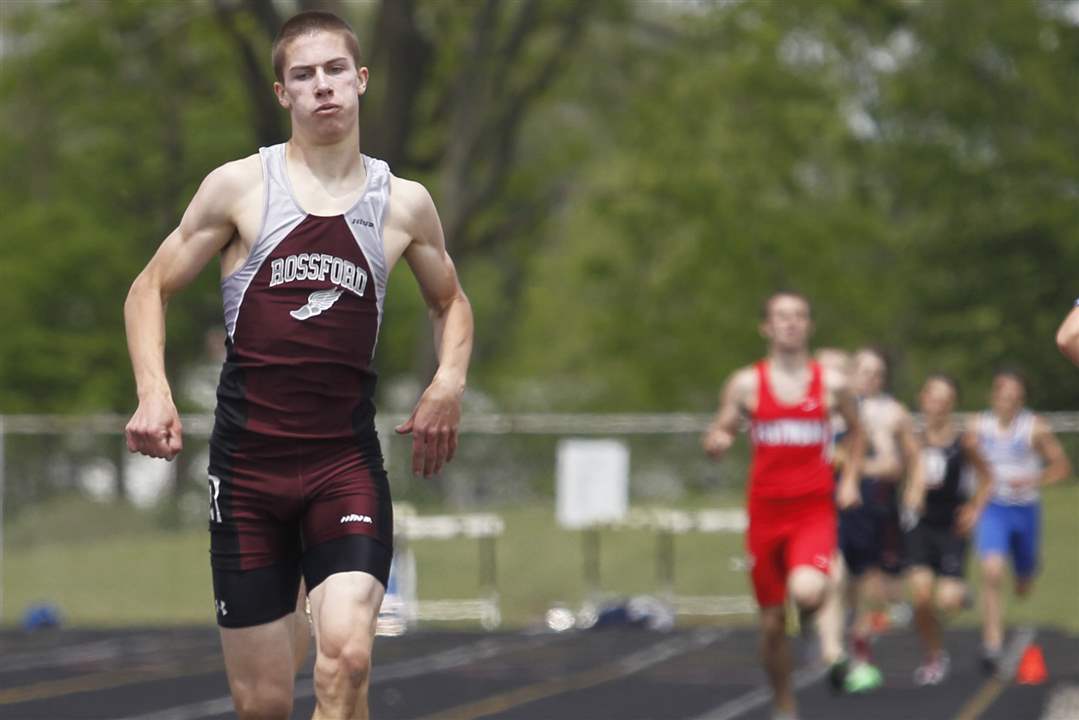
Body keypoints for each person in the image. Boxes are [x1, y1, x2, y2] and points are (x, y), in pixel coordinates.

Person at [123, 11, 474, 720]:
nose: (323, 88)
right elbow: (149, 288)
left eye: (334, 71)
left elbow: (450, 302)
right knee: (264, 704)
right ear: (284, 93)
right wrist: (153, 392)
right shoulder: (239, 188)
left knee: (345, 656)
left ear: (361, 80)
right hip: (248, 474)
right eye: (304, 76)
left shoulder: (401, 204)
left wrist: (447, 382)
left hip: (341, 464)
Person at [703, 292, 864, 720]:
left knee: (808, 589)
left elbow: (858, 432)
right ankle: (784, 705)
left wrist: (848, 479)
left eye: (798, 316)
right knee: (772, 626)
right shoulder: (745, 384)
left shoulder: (831, 384)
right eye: (781, 317)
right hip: (765, 516)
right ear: (766, 328)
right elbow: (722, 426)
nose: (790, 324)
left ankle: (831, 627)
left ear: (809, 325)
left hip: (812, 511)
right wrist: (718, 441)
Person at [974, 370, 1070, 675]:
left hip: (1025, 510)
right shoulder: (979, 426)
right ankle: (992, 644)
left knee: (1023, 583)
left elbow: (1061, 466)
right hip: (994, 509)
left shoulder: (1034, 428)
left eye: (1015, 397)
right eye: (1004, 396)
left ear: (1022, 399)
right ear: (994, 397)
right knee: (991, 572)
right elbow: (967, 461)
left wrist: (1033, 479)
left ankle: (1028, 567)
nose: (1008, 402)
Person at [837, 348, 919, 686]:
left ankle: (861, 645)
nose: (870, 378)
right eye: (864, 371)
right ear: (852, 373)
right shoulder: (836, 407)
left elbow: (899, 461)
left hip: (875, 505)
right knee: (838, 577)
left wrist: (915, 490)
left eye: (877, 373)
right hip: (837, 502)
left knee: (875, 583)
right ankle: (841, 644)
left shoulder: (892, 412)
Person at [904, 374, 991, 685]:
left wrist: (974, 509)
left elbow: (987, 479)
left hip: (951, 527)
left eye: (945, 400)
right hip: (921, 526)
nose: (938, 405)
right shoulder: (913, 438)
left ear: (952, 404)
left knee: (948, 601)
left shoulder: (963, 441)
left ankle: (959, 594)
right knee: (922, 598)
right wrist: (910, 493)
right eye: (933, 398)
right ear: (922, 399)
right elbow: (907, 474)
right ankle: (934, 655)